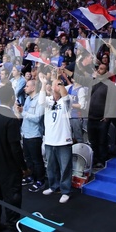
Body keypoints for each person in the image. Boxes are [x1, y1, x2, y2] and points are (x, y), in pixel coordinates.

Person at [0, 84, 31, 232]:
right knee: (13, 199)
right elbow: (15, 148)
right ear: (12, 98)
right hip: (9, 168)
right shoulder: (10, 118)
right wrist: (24, 167)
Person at [39, 72, 74, 204]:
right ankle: (53, 186)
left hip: (63, 140)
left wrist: (60, 83)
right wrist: (43, 84)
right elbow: (40, 101)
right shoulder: (48, 101)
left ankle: (65, 191)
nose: (56, 86)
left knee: (65, 167)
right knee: (51, 166)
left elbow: (65, 97)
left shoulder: (66, 102)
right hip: (49, 139)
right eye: (54, 84)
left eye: (58, 85)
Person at [20, 77, 46, 192]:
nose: (25, 88)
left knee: (37, 160)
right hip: (26, 133)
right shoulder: (27, 99)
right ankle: (31, 177)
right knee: (28, 158)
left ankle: (40, 181)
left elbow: (37, 118)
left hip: (35, 134)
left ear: (34, 87)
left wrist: (23, 112)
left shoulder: (39, 100)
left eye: (27, 86)